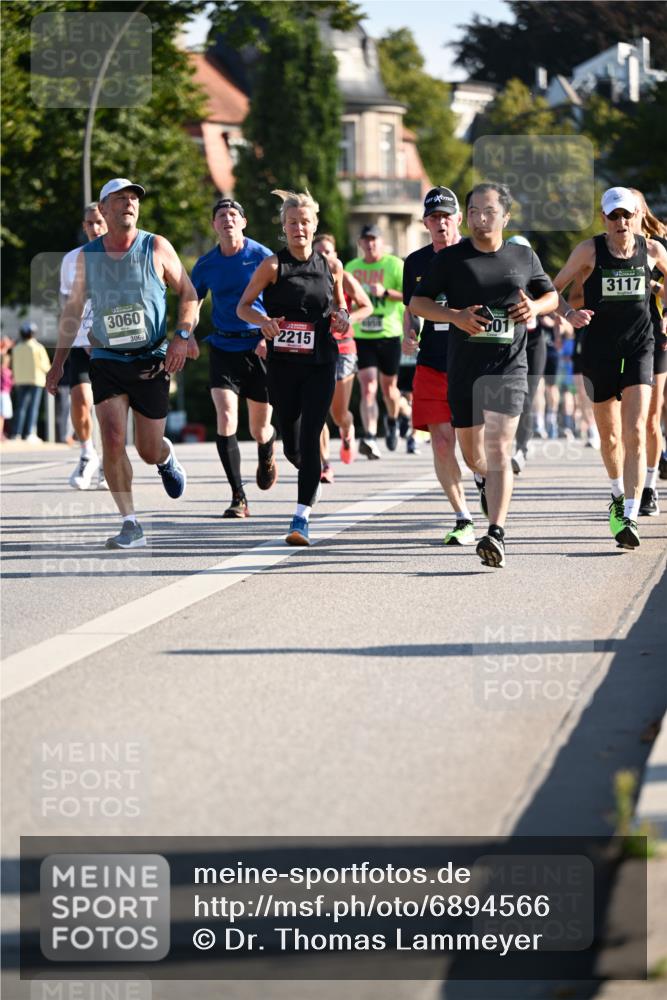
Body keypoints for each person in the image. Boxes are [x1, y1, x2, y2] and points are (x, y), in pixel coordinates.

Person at [410, 182, 558, 568]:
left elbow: (551, 295)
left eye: (488, 211)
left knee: (499, 450)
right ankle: (485, 486)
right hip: (465, 371)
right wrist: (455, 316)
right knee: (474, 455)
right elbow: (418, 302)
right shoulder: (451, 260)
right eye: (473, 211)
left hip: (510, 366)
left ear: (505, 216)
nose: (479, 218)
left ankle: (496, 533)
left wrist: (536, 309)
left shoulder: (523, 257)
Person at [46, 178, 199, 549]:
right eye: (121, 199)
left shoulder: (157, 246)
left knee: (147, 449)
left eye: (134, 199)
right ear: (103, 209)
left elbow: (189, 294)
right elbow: (73, 309)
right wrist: (58, 363)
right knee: (112, 439)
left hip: (150, 360)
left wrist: (181, 335)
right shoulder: (88, 257)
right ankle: (130, 523)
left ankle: (164, 456)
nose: (130, 204)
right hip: (107, 359)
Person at [553, 186, 667, 549]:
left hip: (640, 347)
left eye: (626, 215)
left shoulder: (652, 250)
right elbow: (550, 288)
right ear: (603, 218)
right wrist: (569, 313)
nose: (621, 222)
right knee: (611, 436)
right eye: (613, 216)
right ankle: (617, 494)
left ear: (637, 217)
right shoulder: (589, 250)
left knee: (635, 428)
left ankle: (630, 515)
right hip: (599, 349)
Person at [237, 189, 349, 546]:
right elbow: (243, 307)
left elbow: (340, 306)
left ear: (314, 226)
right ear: (283, 228)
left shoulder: (331, 266)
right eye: (291, 223)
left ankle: (301, 518)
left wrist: (341, 318)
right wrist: (263, 322)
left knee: (312, 434)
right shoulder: (273, 266)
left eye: (304, 222)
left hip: (321, 361)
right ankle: (305, 474)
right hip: (283, 365)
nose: (298, 228)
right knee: (292, 444)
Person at [402, 186, 479, 544]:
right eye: (433, 218)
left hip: (473, 363)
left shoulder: (477, 255)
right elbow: (412, 306)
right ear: (425, 223)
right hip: (432, 362)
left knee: (473, 450)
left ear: (458, 219)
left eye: (446, 217)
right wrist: (409, 333)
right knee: (442, 444)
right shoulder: (415, 262)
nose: (440, 223)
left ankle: (481, 476)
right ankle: (463, 517)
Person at [192, 197, 277, 519]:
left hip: (259, 347)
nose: (227, 219)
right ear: (214, 225)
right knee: (226, 416)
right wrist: (185, 335)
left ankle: (267, 449)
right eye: (221, 216)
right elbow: (193, 301)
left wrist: (271, 337)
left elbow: (280, 299)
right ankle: (238, 496)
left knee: (260, 427)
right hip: (223, 347)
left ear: (243, 222)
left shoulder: (262, 257)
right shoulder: (206, 264)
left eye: (232, 215)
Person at [313, 233, 372, 483]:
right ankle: (324, 464)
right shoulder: (308, 278)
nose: (324, 256)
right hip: (315, 349)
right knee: (316, 411)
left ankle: (347, 431)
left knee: (339, 414)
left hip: (344, 349)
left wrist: (348, 319)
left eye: (328, 251)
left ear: (335, 254)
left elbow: (366, 306)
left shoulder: (344, 277)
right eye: (319, 253)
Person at [60, 201, 109, 489]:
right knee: (80, 400)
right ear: (84, 226)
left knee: (107, 408)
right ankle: (87, 453)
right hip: (81, 343)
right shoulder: (71, 260)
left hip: (112, 344)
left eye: (99, 222)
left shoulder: (119, 255)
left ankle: (109, 461)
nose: (95, 228)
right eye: (90, 223)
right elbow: (68, 305)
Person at [345, 224, 404, 458]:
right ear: (360, 243)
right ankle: (369, 435)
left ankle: (392, 419)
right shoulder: (352, 267)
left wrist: (386, 293)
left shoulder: (394, 264)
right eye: (365, 240)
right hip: (362, 335)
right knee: (368, 385)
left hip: (389, 333)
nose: (370, 244)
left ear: (381, 242)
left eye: (374, 240)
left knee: (389, 390)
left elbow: (412, 294)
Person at [629, 188, 667, 517]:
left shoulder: (656, 250)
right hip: (618, 342)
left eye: (632, 210)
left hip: (657, 338)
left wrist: (652, 286)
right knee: (628, 425)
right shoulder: (607, 247)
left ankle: (650, 486)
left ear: (643, 212)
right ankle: (627, 486)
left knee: (651, 420)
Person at [10, 322, 51, 441]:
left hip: (20, 380)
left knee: (20, 407)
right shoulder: (38, 347)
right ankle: (30, 433)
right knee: (33, 407)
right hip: (36, 380)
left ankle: (16, 433)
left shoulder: (16, 348)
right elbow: (45, 366)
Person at [1, 338, 14, 440]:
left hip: (4, 393)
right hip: (3, 393)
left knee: (3, 416)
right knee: (2, 415)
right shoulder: (5, 371)